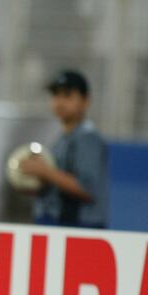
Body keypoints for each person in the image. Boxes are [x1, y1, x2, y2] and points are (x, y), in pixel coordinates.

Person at [20, 69, 109, 228]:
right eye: (56, 95)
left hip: (78, 227)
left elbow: (87, 188)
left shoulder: (87, 137)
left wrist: (45, 172)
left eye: (67, 95)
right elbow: (58, 183)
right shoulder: (62, 138)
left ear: (85, 101)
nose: (59, 102)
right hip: (57, 223)